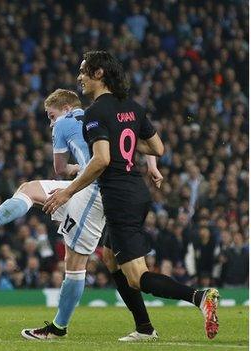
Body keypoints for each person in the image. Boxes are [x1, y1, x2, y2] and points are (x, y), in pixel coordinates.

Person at [0, 89, 158, 341]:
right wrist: (153, 167)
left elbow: (60, 169)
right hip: (112, 189)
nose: (51, 122)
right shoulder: (105, 115)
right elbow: (144, 139)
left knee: (75, 263)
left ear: (67, 109)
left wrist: (75, 167)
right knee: (29, 189)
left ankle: (59, 327)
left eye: (51, 115)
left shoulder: (63, 123)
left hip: (93, 192)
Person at [43, 50, 219, 339]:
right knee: (111, 259)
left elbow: (99, 160)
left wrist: (67, 192)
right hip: (135, 190)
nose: (79, 78)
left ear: (100, 74)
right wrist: (125, 143)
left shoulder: (95, 113)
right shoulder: (133, 107)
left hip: (119, 197)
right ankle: (144, 328)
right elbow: (157, 148)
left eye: (84, 71)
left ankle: (200, 297)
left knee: (136, 277)